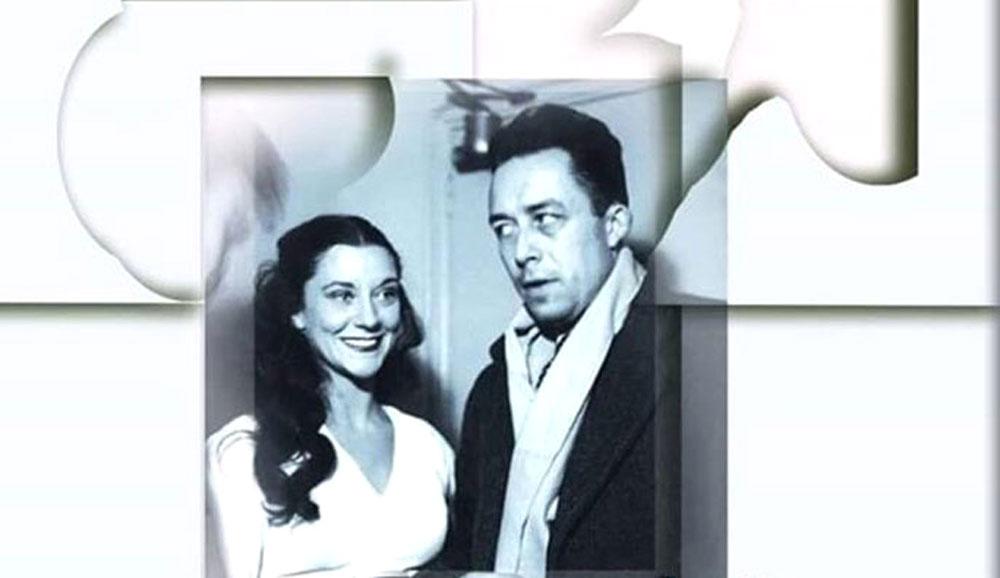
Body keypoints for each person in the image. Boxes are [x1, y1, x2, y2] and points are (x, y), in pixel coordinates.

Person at [443, 104, 680, 576]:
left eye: (546, 219)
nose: (521, 251)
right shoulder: (493, 388)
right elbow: (468, 552)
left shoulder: (707, 355)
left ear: (613, 224)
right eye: (504, 228)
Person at [207, 215, 454, 578]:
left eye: (385, 293)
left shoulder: (427, 445)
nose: (370, 318)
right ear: (297, 311)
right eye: (342, 295)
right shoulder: (242, 450)